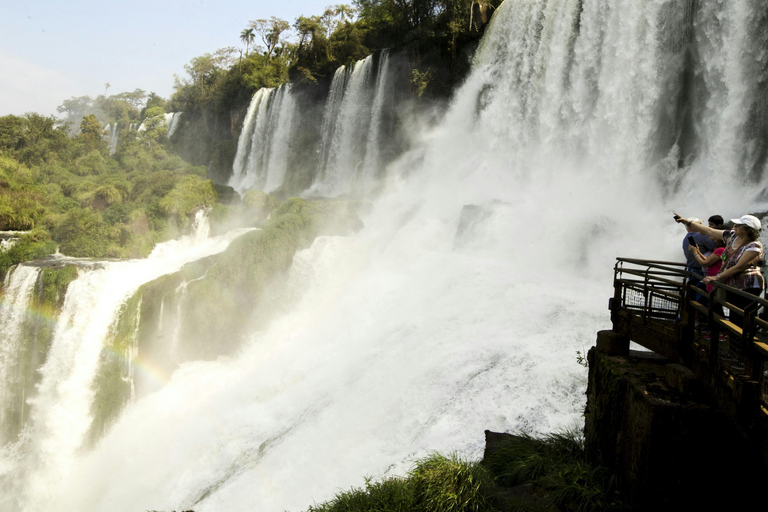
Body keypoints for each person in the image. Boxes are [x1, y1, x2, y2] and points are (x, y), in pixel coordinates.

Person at [675, 213, 765, 327]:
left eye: (738, 224)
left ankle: (744, 342)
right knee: (735, 317)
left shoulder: (754, 246)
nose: (735, 226)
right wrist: (687, 222)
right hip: (733, 284)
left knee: (743, 319)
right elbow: (710, 231)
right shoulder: (732, 236)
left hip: (749, 284)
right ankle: (734, 342)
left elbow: (739, 267)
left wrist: (717, 277)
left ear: (747, 230)